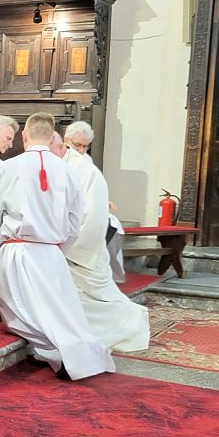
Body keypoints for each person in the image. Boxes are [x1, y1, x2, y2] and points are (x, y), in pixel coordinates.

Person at [0, 112, 115, 380]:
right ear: (54, 136)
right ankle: (80, 353)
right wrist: (60, 247)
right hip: (51, 251)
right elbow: (75, 218)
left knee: (19, 311)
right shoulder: (68, 170)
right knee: (59, 311)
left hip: (17, 249)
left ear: (24, 136)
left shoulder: (9, 167)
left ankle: (58, 354)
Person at [59, 121, 149, 352]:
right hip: (66, 235)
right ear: (65, 140)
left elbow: (89, 207)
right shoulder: (61, 162)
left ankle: (123, 326)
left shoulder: (85, 167)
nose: (80, 150)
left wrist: (73, 244)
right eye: (77, 145)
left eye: (85, 146)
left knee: (94, 291)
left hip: (80, 240)